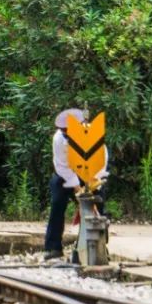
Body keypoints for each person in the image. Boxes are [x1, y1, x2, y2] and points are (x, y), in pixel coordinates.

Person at [44, 108, 109, 260]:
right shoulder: (59, 139)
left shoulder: (94, 135)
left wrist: (92, 188)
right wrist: (79, 190)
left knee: (96, 206)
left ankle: (97, 249)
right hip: (66, 175)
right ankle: (52, 247)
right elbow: (62, 167)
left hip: (92, 173)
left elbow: (101, 162)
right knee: (57, 202)